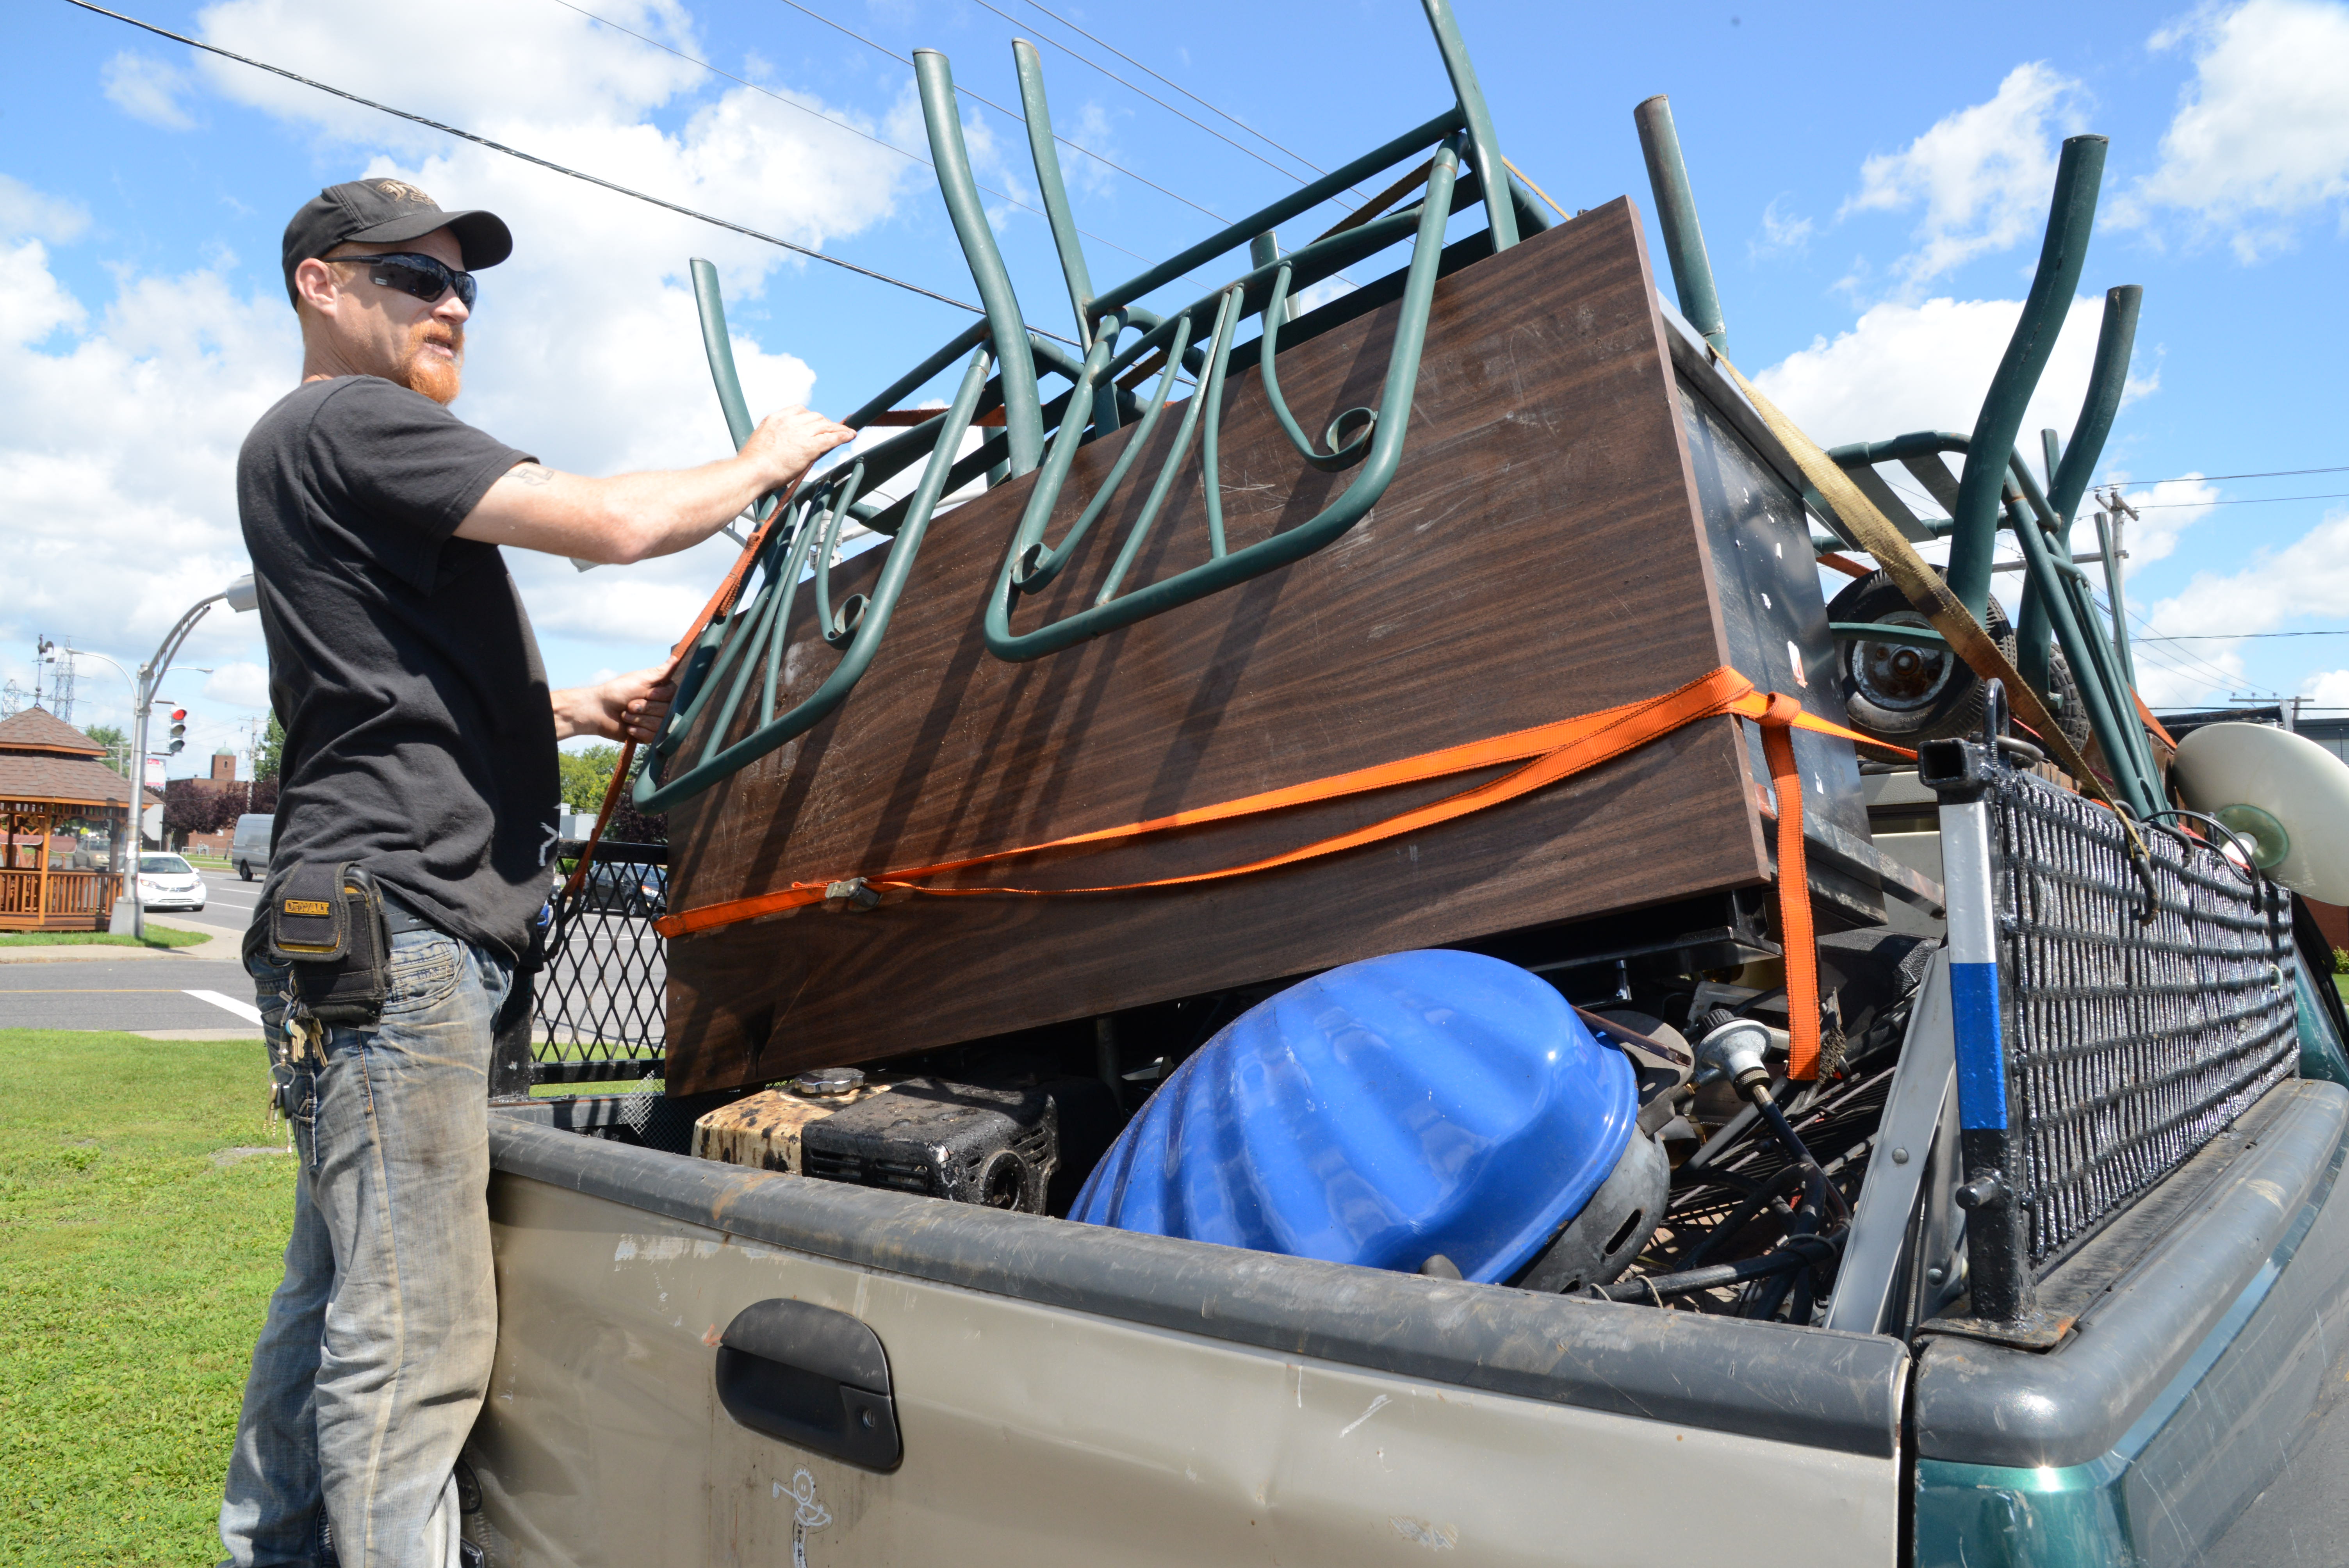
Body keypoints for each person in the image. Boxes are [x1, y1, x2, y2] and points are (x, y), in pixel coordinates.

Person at [221, 178, 852, 1567]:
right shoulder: (361, 418)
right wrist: (761, 463)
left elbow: (381, 686)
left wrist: (568, 708)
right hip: (406, 926)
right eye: (411, 275)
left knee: (333, 1294)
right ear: (320, 286)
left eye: (465, 287)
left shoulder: (298, 450)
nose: (450, 304)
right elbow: (617, 523)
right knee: (418, 1332)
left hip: (359, 916)